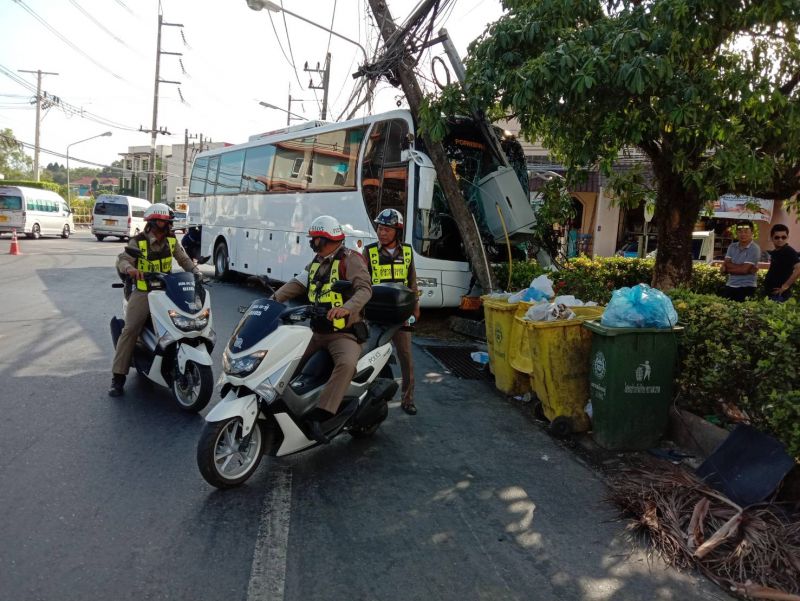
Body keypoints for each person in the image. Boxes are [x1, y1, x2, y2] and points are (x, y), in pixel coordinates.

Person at [273, 215, 372, 443]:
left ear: (323, 239)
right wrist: (272, 300)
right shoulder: (317, 261)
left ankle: (322, 415)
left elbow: (365, 290)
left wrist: (346, 309)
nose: (311, 243)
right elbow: (298, 283)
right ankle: (278, 400)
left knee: (346, 364)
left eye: (313, 239)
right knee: (286, 357)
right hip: (316, 331)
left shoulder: (351, 260)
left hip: (343, 333)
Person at [109, 203, 201, 396]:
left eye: (168, 222)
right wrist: (130, 269)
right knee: (131, 329)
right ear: (152, 222)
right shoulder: (139, 241)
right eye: (163, 221)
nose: (167, 225)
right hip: (144, 292)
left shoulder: (171, 240)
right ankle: (118, 378)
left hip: (167, 291)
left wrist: (196, 272)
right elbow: (123, 259)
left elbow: (183, 259)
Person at [363, 208, 421, 415]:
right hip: (376, 315)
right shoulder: (369, 252)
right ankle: (369, 399)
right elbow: (361, 282)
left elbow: (412, 281)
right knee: (372, 356)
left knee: (406, 358)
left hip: (401, 316)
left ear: (397, 231)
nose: (382, 232)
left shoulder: (407, 251)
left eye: (387, 229)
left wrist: (415, 307)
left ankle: (408, 399)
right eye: (380, 228)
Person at [720, 220, 760, 302]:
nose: (743, 234)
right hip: (730, 285)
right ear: (736, 233)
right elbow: (724, 267)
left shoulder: (754, 248)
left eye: (746, 231)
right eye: (740, 231)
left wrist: (729, 268)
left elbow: (744, 270)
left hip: (746, 287)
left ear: (752, 233)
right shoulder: (732, 246)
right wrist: (742, 268)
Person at [764, 223, 800, 302]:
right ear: (772, 238)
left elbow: (798, 268)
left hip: (780, 294)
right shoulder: (776, 252)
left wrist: (785, 286)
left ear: (787, 238)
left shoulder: (788, 251)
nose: (780, 240)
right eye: (777, 237)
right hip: (771, 292)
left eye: (783, 237)